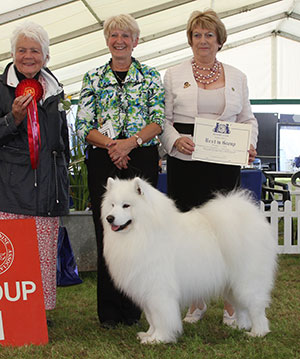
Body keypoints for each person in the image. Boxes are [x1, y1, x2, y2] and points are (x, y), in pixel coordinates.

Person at [159, 9, 258, 326]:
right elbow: (164, 120)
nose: (203, 40)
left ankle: (231, 304)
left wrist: (249, 143)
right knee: (188, 234)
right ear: (190, 40)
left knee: (225, 235)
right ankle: (196, 302)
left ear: (219, 40)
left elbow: (248, 120)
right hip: (186, 165)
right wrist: (174, 141)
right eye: (197, 35)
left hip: (224, 165)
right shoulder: (173, 74)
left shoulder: (238, 77)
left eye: (209, 35)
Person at [75, 14, 165, 328]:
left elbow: (158, 118)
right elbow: (83, 125)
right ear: (107, 40)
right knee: (109, 236)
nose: (119, 41)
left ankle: (133, 310)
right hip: (103, 159)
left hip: (141, 158)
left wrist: (130, 143)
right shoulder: (92, 78)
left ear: (136, 41)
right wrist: (114, 145)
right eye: (114, 35)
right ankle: (110, 313)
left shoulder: (151, 76)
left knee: (140, 236)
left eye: (126, 36)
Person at [0, 22, 70, 315]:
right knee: (10, 255)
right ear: (12, 53)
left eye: (35, 50)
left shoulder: (55, 90)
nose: (28, 56)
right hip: (11, 186)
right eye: (21, 50)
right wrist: (12, 118)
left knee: (43, 253)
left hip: (48, 185)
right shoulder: (1, 89)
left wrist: (62, 177)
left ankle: (39, 314)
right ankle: (10, 312)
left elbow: (62, 141)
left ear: (46, 56)